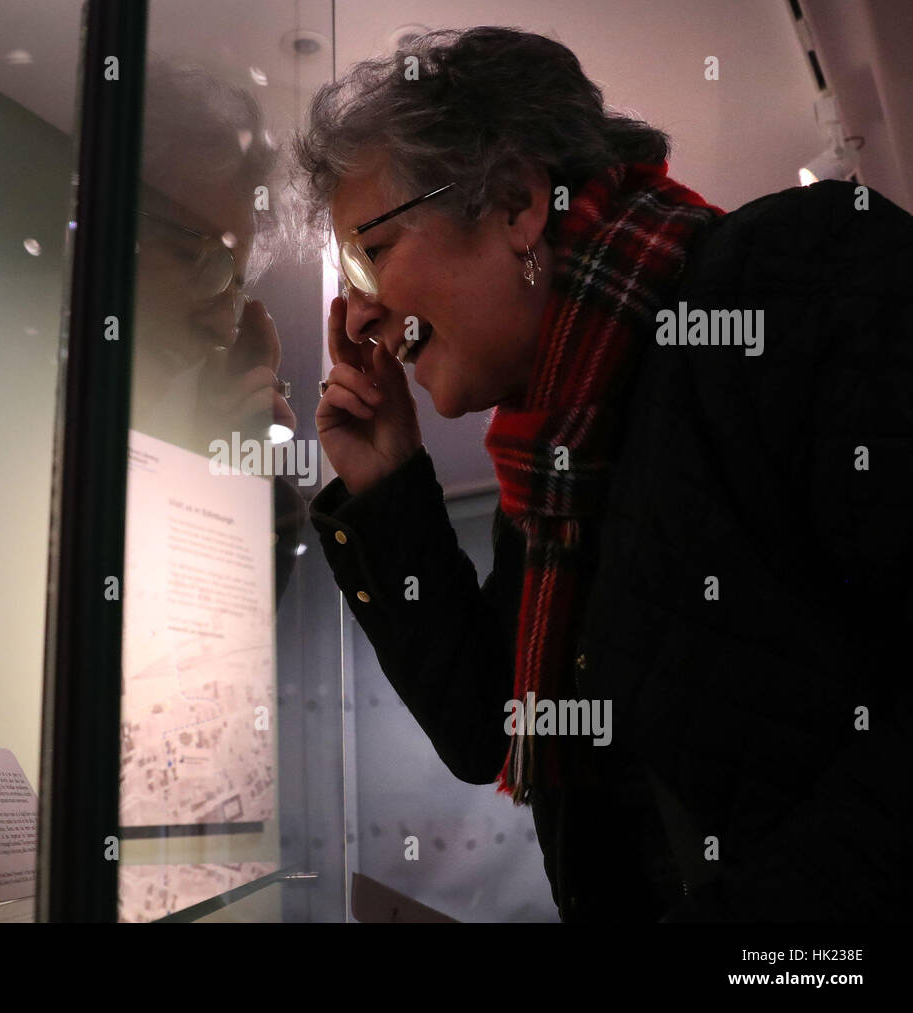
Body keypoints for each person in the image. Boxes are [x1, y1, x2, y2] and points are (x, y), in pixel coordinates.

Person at [291, 25, 913, 921]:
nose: (356, 320)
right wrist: (388, 485)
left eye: (371, 254)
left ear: (514, 203)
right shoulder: (551, 466)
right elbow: (488, 729)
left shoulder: (796, 275)